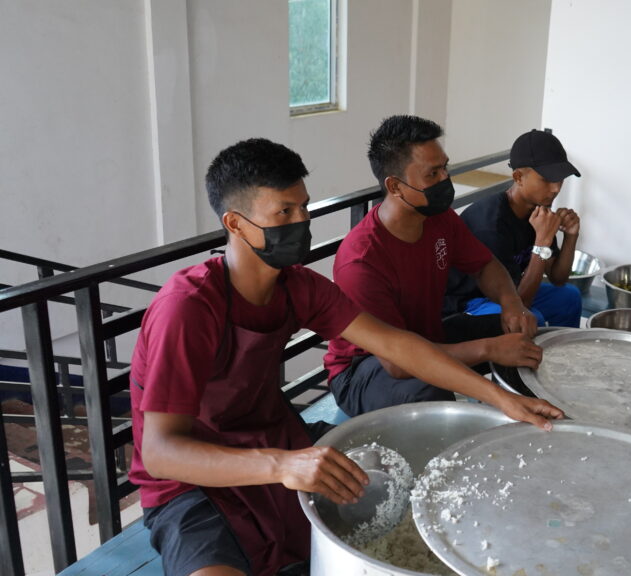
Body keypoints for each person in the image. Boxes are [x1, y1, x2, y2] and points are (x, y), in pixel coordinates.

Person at [129, 138, 563, 576]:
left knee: (406, 477)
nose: (302, 221)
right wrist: (283, 464)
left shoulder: (298, 286)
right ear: (236, 224)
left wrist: (501, 399)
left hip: (274, 438)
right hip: (193, 483)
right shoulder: (188, 308)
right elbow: (162, 453)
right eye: (284, 212)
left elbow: (397, 345)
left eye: (304, 207)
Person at [324, 115, 550, 417]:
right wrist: (489, 348)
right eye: (432, 174)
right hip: (366, 368)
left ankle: (530, 419)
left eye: (445, 167)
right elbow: (398, 362)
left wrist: (512, 303)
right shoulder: (361, 261)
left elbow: (484, 266)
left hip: (428, 336)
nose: (445, 179)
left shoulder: (437, 218)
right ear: (395, 186)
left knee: (525, 337)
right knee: (429, 394)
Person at [445, 129, 583, 328]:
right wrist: (542, 242)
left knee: (569, 297)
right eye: (546, 180)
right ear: (518, 177)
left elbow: (558, 278)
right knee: (531, 319)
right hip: (468, 301)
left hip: (511, 292)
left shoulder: (538, 210)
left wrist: (571, 236)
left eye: (560, 179)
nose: (556, 188)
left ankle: (563, 348)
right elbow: (520, 303)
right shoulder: (491, 225)